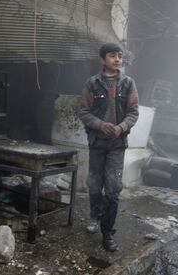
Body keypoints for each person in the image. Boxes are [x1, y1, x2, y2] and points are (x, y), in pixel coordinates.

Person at [78, 43, 139, 251]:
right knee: (95, 184)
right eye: (112, 56)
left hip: (117, 145)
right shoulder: (92, 84)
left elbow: (134, 112)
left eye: (120, 56)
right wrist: (100, 125)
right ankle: (94, 215)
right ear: (103, 60)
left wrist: (121, 127)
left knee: (113, 189)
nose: (117, 59)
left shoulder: (128, 83)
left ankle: (108, 233)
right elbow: (84, 111)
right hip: (97, 143)